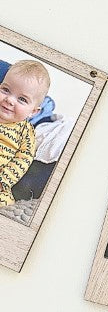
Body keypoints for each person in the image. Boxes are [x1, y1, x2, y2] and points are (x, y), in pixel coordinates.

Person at [0, 60, 50, 206]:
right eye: (5, 90)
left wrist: (4, 180)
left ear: (33, 111)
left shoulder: (26, 132)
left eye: (22, 99)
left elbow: (24, 158)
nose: (9, 100)